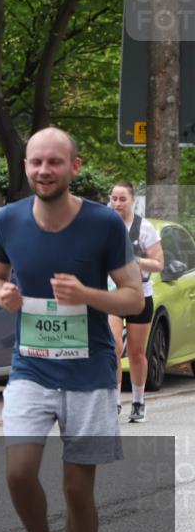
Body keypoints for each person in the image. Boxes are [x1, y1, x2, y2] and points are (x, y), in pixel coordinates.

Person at [0, 127, 143, 532]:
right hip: (31, 367)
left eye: (54, 162)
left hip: (89, 372)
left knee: (77, 488)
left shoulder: (104, 224)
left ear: (74, 167)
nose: (43, 171)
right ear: (26, 166)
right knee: (18, 471)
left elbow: (134, 300)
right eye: (36, 162)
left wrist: (88, 295)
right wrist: (3, 294)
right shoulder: (8, 221)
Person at [107, 180, 163, 423]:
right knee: (113, 347)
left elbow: (159, 264)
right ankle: (114, 402)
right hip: (113, 294)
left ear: (132, 200)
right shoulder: (105, 225)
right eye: (114, 199)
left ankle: (139, 401)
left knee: (137, 352)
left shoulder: (145, 228)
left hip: (140, 295)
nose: (117, 203)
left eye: (122, 199)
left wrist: (135, 261)